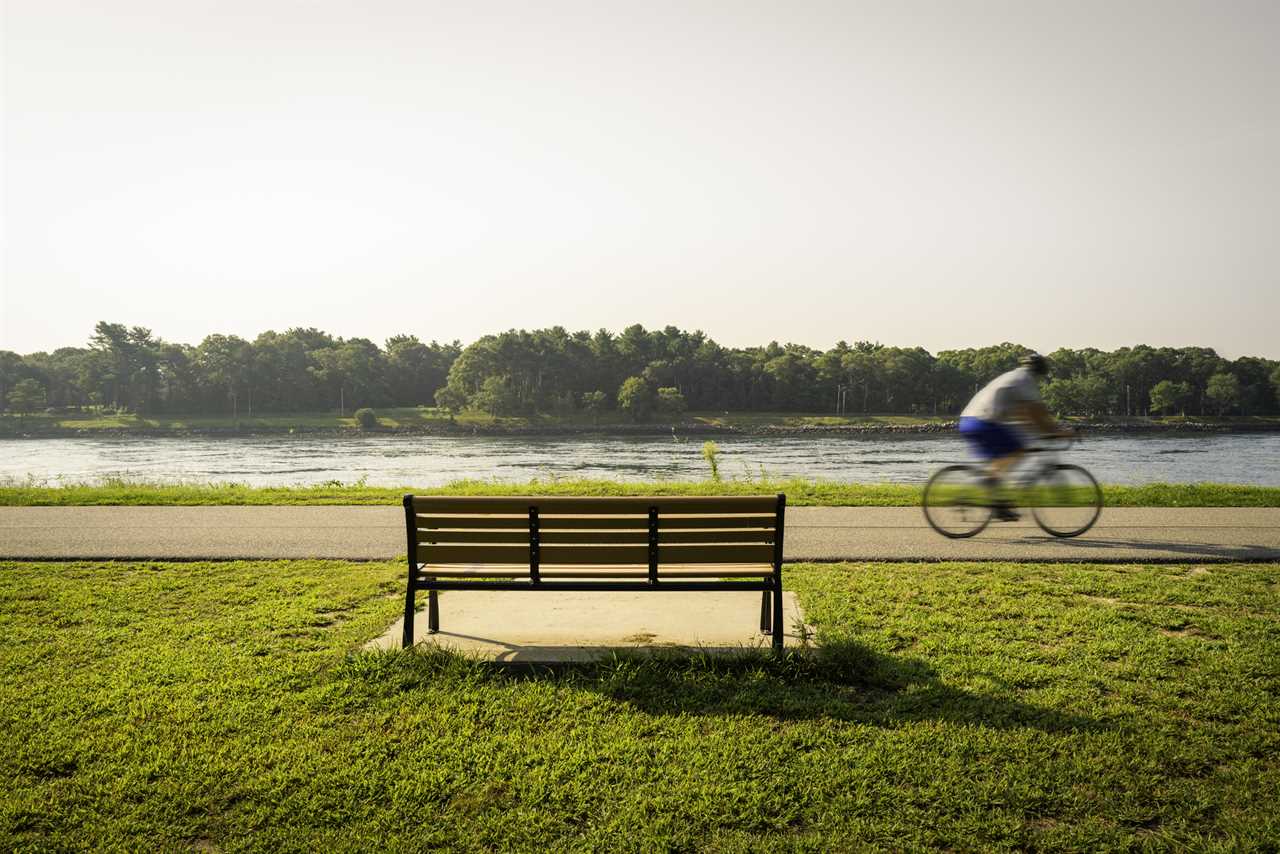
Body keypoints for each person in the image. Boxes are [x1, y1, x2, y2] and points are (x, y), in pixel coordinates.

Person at [957, 353, 1073, 520]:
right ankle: (994, 493)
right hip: (981, 422)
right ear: (1040, 372)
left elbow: (1028, 417)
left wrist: (1046, 431)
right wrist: (1060, 432)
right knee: (1016, 450)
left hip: (974, 420)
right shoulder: (1026, 381)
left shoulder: (1015, 377)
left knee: (1013, 452)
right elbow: (1039, 416)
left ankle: (997, 498)